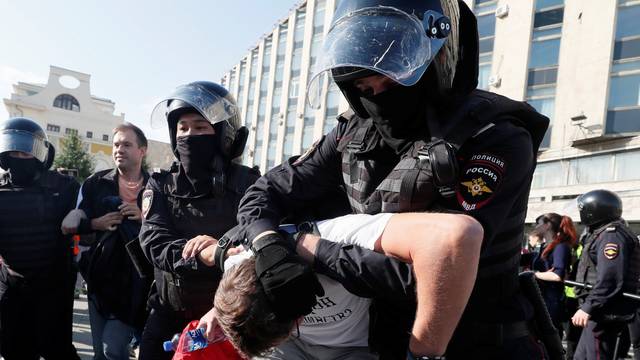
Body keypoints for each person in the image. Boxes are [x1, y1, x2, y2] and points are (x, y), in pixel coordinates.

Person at [233, 0, 550, 358]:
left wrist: (308, 247)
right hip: (381, 339)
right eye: (366, 85)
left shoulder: (495, 137)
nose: (379, 93)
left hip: (476, 342)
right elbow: (268, 190)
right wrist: (267, 242)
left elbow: (435, 268)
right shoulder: (352, 133)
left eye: (394, 74)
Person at [202, 212, 483, 358]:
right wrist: (220, 310)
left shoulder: (337, 235)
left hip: (353, 348)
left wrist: (424, 352)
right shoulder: (236, 261)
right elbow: (231, 277)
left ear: (298, 317)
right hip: (292, 352)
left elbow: (458, 236)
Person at [138, 81, 260, 360]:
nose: (190, 134)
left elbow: (258, 237)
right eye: (183, 128)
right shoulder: (159, 184)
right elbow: (154, 241)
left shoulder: (249, 184)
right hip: (168, 313)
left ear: (223, 134)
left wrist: (222, 247)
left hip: (225, 319)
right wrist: (201, 254)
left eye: (201, 127)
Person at [61, 122, 152, 359]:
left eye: (127, 144)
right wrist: (95, 223)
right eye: (116, 144)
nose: (119, 149)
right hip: (99, 280)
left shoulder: (158, 187)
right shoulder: (95, 183)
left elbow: (171, 228)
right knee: (100, 353)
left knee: (111, 348)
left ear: (142, 150)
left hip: (136, 284)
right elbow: (77, 220)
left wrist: (143, 218)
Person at [0, 117, 81, 360]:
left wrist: (80, 213)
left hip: (54, 284)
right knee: (13, 349)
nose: (19, 158)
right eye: (13, 151)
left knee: (56, 349)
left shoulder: (64, 187)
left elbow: (89, 216)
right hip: (12, 283)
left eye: (26, 154)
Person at [572, 189, 640, 360]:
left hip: (604, 312)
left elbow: (610, 278)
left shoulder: (612, 236)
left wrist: (589, 307)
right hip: (600, 310)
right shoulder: (604, 233)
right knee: (581, 357)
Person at [532, 213, 578, 339]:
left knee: (548, 337)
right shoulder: (545, 246)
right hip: (541, 296)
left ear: (547, 226)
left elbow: (557, 275)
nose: (535, 226)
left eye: (539, 224)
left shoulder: (560, 246)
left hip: (551, 299)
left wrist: (534, 274)